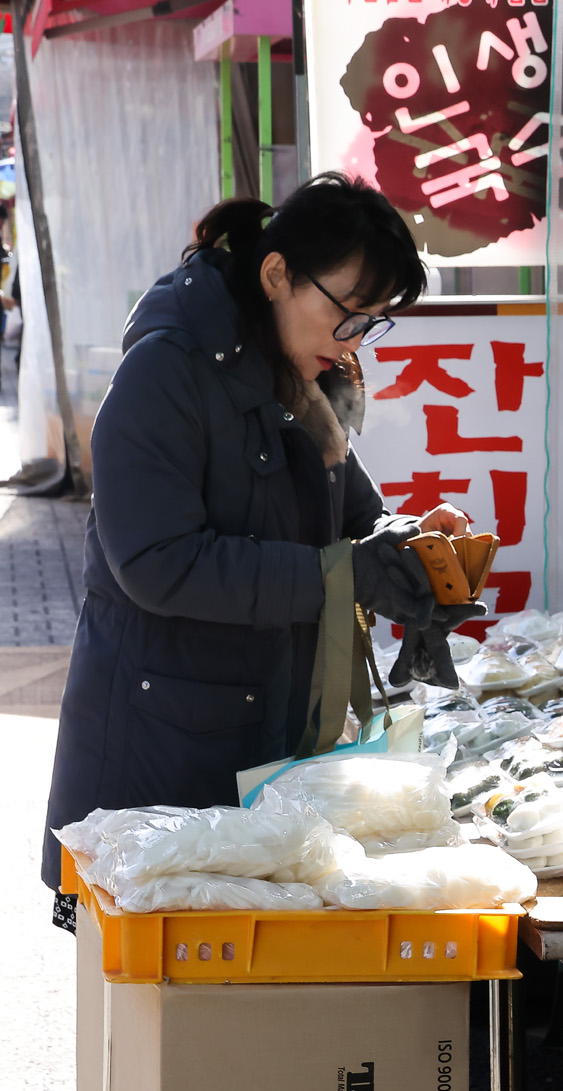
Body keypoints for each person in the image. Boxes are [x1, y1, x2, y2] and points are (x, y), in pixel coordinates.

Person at [40, 173, 481, 925]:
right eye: (349, 315)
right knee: (160, 1019)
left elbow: (353, 518)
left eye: (373, 324)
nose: (353, 343)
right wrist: (342, 577)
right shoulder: (165, 372)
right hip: (159, 753)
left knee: (248, 1012)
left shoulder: (305, 374)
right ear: (276, 274)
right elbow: (158, 563)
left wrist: (403, 547)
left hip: (263, 740)